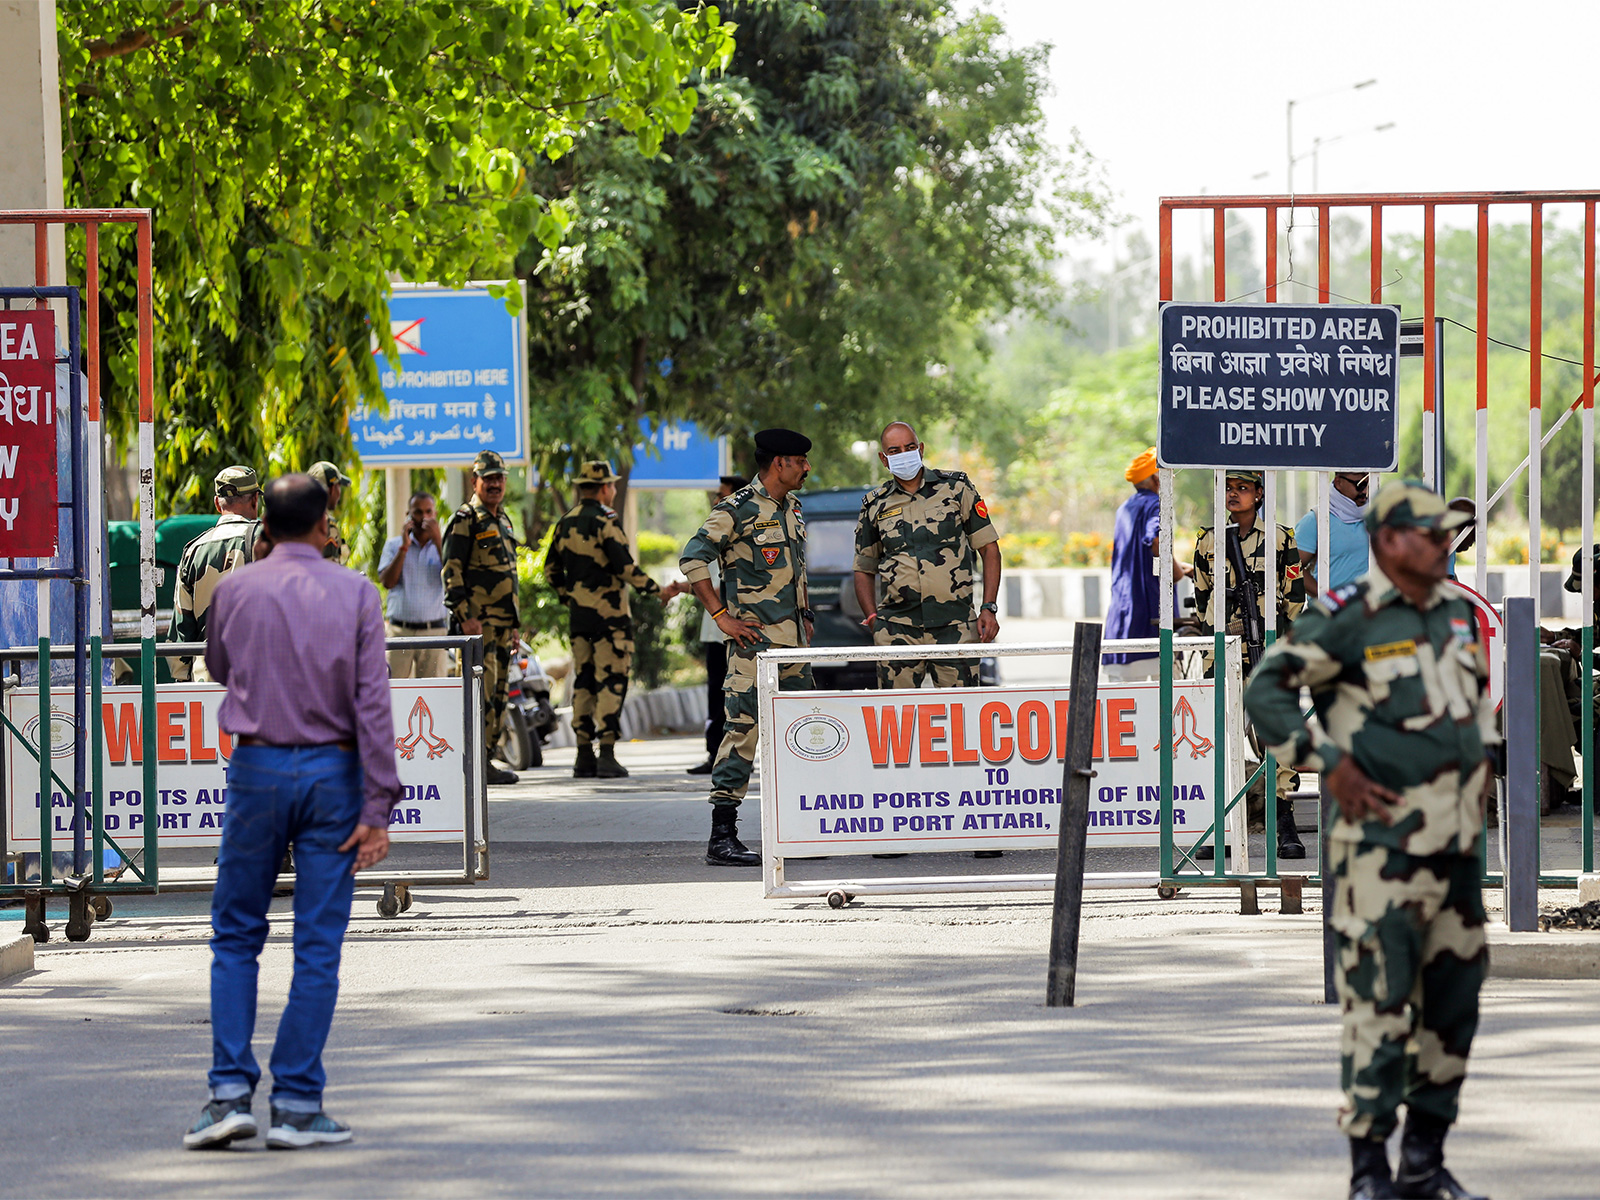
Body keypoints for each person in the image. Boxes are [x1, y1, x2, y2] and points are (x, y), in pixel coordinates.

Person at [1244, 480, 1492, 1200]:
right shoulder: (1347, 618)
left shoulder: (1454, 614)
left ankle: (1424, 1158)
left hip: (1455, 850)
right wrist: (1326, 763)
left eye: (1449, 534)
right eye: (1431, 533)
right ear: (1388, 542)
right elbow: (1267, 689)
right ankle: (1368, 1171)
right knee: (1379, 1008)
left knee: (1454, 1008)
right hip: (1380, 853)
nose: (1446, 544)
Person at [184, 474, 400, 1151]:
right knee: (317, 944)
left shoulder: (236, 591)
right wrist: (379, 802)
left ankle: (226, 1096)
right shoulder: (358, 595)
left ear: (264, 527)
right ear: (323, 524)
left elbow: (218, 666)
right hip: (334, 775)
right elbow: (372, 702)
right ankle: (300, 1105)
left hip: (256, 769)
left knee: (236, 932)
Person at [853, 420, 1003, 857]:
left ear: (920, 447)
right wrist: (872, 616)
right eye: (892, 450)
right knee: (895, 730)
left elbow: (989, 549)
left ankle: (982, 827)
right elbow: (863, 567)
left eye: (908, 447)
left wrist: (988, 608)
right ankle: (894, 829)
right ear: (883, 458)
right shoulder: (874, 504)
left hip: (955, 627)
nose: (902, 455)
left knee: (966, 726)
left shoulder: (957, 489)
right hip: (897, 631)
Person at [681, 429, 814, 867]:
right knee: (741, 735)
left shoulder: (792, 509)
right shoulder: (736, 510)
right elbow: (693, 557)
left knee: (803, 739)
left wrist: (806, 618)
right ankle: (723, 837)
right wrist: (721, 617)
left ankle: (799, 832)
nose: (806, 468)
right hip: (753, 651)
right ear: (779, 463)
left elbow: (795, 574)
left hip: (793, 651)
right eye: (800, 461)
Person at [546, 460, 686, 779]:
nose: (612, 491)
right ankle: (606, 753)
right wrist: (657, 591)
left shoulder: (565, 522)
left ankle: (583, 755)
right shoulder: (607, 521)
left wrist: (570, 597)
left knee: (583, 681)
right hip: (610, 619)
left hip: (580, 618)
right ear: (605, 488)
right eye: (611, 486)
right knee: (611, 680)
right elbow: (625, 568)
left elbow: (551, 570)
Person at [1193, 468, 1307, 859]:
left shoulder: (1279, 538)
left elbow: (1294, 598)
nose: (1234, 494)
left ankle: (1284, 825)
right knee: (1217, 741)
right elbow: (1203, 596)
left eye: (1243, 488)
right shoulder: (1210, 541)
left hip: (1268, 652)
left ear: (1259, 494)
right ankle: (1220, 825)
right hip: (1224, 653)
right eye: (1229, 488)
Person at [442, 449, 521, 786]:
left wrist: (516, 626)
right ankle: (472, 764)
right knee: (480, 696)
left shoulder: (503, 520)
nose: (495, 484)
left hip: (503, 627)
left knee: (499, 695)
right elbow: (451, 571)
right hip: (479, 626)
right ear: (474, 481)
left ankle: (486, 759)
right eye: (488, 478)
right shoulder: (465, 519)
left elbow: (511, 576)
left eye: (499, 478)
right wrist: (464, 617)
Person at [168, 465, 263, 683]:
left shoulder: (193, 551)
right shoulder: (268, 542)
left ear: (217, 504)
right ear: (255, 500)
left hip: (205, 683)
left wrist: (184, 684)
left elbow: (181, 632)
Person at [1103, 447, 1189, 681]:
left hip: (1123, 621)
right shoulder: (1157, 503)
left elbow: (1138, 552)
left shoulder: (1125, 508)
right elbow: (1156, 542)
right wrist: (1177, 573)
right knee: (1166, 703)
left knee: (1128, 703)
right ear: (1155, 478)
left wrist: (1180, 565)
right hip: (1150, 616)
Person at [688, 474, 748, 776]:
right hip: (716, 630)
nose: (715, 500)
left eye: (721, 494)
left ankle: (735, 758)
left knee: (736, 698)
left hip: (735, 630)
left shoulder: (740, 527)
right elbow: (704, 579)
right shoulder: (713, 530)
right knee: (716, 695)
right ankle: (715, 754)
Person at [377, 490, 448, 678]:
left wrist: (439, 540)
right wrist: (404, 547)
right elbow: (388, 582)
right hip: (400, 631)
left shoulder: (444, 546)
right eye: (417, 512)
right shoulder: (394, 545)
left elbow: (454, 577)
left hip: (434, 631)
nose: (423, 517)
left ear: (435, 515)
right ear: (408, 515)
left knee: (433, 697)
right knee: (395, 692)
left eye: (428, 512)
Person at [1296, 471, 1372, 597]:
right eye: (1359, 485)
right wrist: (1327, 599)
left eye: (1367, 485)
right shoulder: (1316, 519)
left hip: (1371, 611)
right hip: (1331, 614)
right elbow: (1292, 567)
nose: (1365, 492)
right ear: (1338, 482)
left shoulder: (1377, 518)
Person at [307, 461, 353, 563]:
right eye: (338, 486)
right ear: (332, 489)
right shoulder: (325, 523)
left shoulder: (292, 516)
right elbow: (330, 572)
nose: (339, 494)